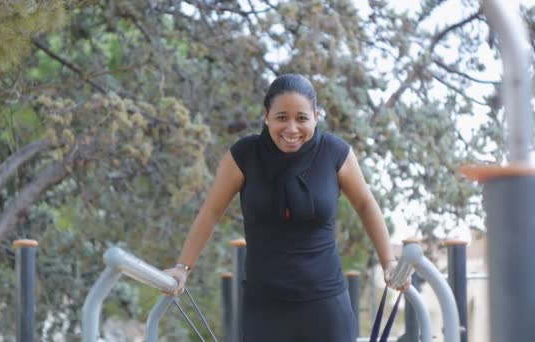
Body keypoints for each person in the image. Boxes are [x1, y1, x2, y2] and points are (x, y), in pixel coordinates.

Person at [164, 73, 407, 341]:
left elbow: (365, 204)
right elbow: (210, 212)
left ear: (316, 116)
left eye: (302, 118)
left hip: (325, 307)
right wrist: (182, 268)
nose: (292, 129)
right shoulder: (244, 155)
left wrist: (389, 262)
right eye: (282, 117)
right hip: (265, 309)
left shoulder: (334, 153)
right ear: (267, 115)